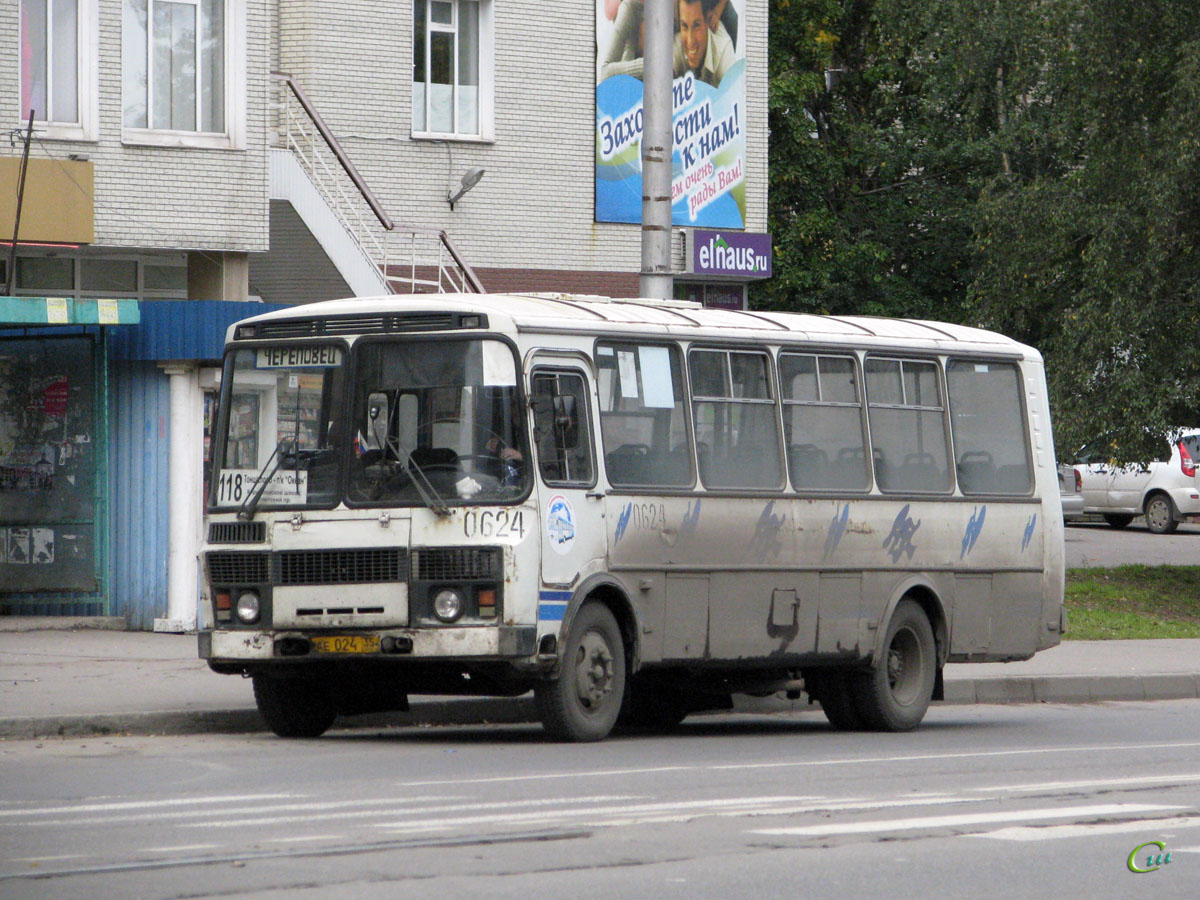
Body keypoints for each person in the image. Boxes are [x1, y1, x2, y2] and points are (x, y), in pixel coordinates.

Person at [673, 0, 735, 88]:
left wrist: (717, 11)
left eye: (696, 25)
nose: (690, 42)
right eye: (684, 26)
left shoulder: (723, 50)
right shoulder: (675, 43)